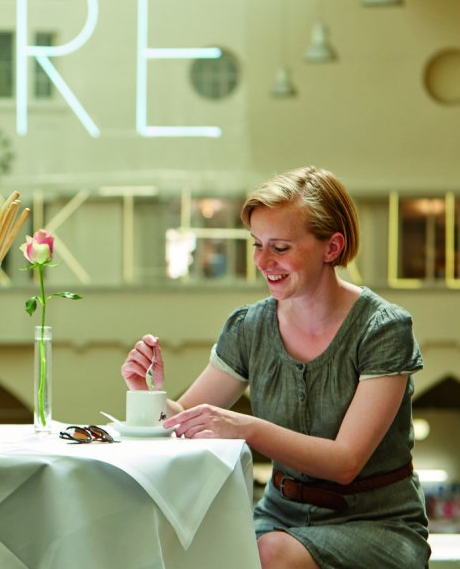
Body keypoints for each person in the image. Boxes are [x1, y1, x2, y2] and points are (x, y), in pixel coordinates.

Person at [120, 166, 429, 568]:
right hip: (278, 516)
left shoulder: (382, 328)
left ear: (332, 248)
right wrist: (148, 391)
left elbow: (345, 462)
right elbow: (184, 421)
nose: (263, 261)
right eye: (256, 244)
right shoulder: (249, 326)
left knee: (270, 555)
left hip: (376, 523)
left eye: (280, 248)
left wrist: (244, 428)